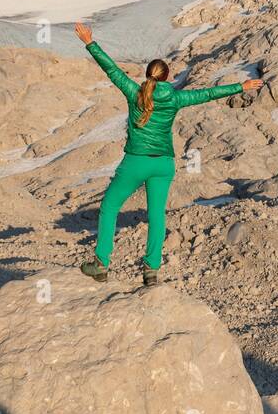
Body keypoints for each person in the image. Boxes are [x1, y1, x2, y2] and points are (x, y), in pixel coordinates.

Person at [73, 21, 262, 286]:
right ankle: (151, 272)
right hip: (164, 164)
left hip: (136, 161)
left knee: (109, 208)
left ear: (148, 74)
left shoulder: (134, 92)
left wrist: (89, 42)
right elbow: (207, 94)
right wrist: (240, 87)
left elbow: (111, 69)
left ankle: (101, 264)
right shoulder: (175, 98)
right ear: (166, 76)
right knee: (157, 216)